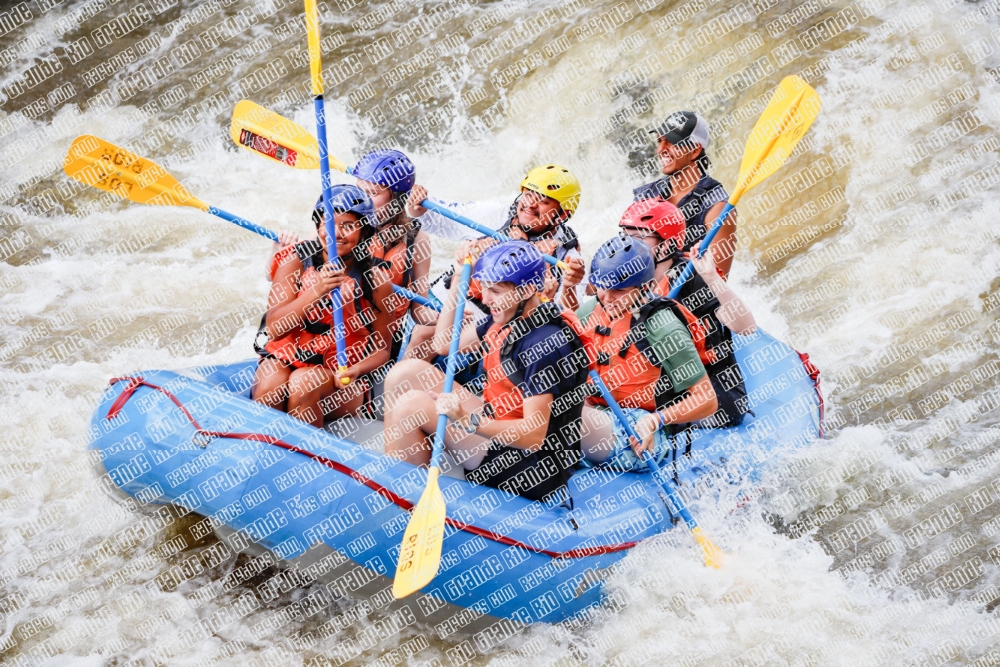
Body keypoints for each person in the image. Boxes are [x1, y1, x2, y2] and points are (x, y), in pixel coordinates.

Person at [382, 241, 592, 502]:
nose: (484, 298)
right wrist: (459, 278)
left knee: (410, 406)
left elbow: (534, 436)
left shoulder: (544, 345)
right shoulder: (509, 316)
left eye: (494, 290)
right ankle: (398, 459)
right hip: (499, 421)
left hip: (533, 465)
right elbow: (444, 343)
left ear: (527, 290)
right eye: (483, 288)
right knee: (405, 372)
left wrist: (466, 420)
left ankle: (401, 502)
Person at [252, 185, 394, 426]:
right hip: (287, 359)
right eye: (327, 223)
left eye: (348, 226)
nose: (335, 233)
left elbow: (382, 349)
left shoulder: (376, 279)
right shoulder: (294, 261)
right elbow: (274, 329)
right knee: (270, 385)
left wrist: (356, 370)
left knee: (304, 382)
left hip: (340, 378)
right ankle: (262, 452)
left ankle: (306, 458)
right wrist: (317, 290)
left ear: (365, 232)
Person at [576, 235, 718, 471]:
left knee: (562, 419)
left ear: (643, 288)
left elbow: (708, 400)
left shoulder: (663, 327)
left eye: (619, 290)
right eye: (602, 286)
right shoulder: (590, 310)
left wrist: (656, 420)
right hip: (596, 413)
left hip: (645, 432)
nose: (607, 298)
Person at [619, 198, 755, 428]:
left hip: (715, 395)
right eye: (624, 235)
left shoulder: (692, 279)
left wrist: (711, 277)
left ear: (667, 244)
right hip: (663, 381)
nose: (628, 245)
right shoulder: (629, 276)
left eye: (640, 237)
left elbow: (746, 327)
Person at [404, 164, 587, 310]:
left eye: (543, 201)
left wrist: (570, 286)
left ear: (562, 215)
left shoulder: (569, 256)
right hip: (439, 303)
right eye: (529, 194)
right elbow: (437, 221)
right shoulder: (495, 215)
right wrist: (417, 206)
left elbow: (568, 314)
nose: (530, 204)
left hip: (478, 330)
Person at [352, 150, 437, 356]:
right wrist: (280, 248)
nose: (361, 201)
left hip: (381, 347)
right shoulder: (343, 224)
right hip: (340, 336)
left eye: (372, 193)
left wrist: (449, 318)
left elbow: (420, 309)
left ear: (397, 199)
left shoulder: (418, 240)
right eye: (359, 191)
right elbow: (273, 274)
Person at [633, 111, 737, 279]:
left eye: (672, 142)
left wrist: (671, 260)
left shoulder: (717, 207)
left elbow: (717, 285)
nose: (661, 150)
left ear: (695, 151)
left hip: (683, 301)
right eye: (660, 141)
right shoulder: (648, 194)